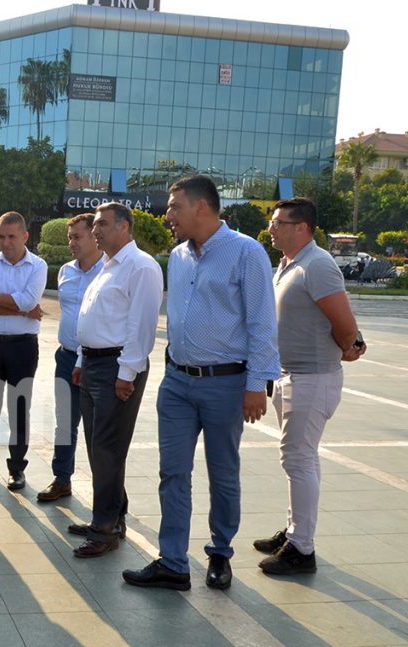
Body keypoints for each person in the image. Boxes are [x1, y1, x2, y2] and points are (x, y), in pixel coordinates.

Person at [123, 175, 280, 591]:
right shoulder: (177, 256)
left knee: (222, 473)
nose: (167, 214)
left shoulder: (247, 253)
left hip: (226, 385)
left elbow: (263, 322)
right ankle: (173, 562)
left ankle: (220, 553)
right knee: (172, 472)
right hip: (176, 382)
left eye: (174, 206)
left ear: (201, 208)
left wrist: (256, 384)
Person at [255, 197, 365, 575]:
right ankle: (294, 531)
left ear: (301, 227)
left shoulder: (317, 265)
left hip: (312, 378)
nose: (271, 228)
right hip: (290, 374)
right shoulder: (288, 265)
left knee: (297, 459)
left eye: (278, 222)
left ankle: (302, 548)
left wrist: (349, 345)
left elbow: (346, 324)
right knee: (301, 459)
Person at [67, 203, 163, 557]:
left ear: (125, 227)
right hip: (93, 364)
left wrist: (127, 374)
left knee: (107, 448)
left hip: (117, 367)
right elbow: (93, 319)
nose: (96, 231)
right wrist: (80, 359)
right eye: (94, 224)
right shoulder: (107, 267)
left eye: (103, 224)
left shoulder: (141, 267)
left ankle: (105, 528)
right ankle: (111, 515)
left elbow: (141, 326)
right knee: (98, 448)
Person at [0, 211, 47, 491]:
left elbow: (28, 300)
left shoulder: (38, 266)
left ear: (25, 236)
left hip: (23, 347)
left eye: (12, 237)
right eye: (1, 237)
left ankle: (17, 469)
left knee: (19, 408)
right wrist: (23, 309)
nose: (6, 243)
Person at [37, 213, 103, 503]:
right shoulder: (65, 271)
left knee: (98, 430)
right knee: (65, 423)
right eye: (70, 238)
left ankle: (107, 493)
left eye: (77, 237)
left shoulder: (109, 272)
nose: (72, 243)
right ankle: (61, 479)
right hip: (65, 358)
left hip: (97, 361)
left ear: (94, 236)